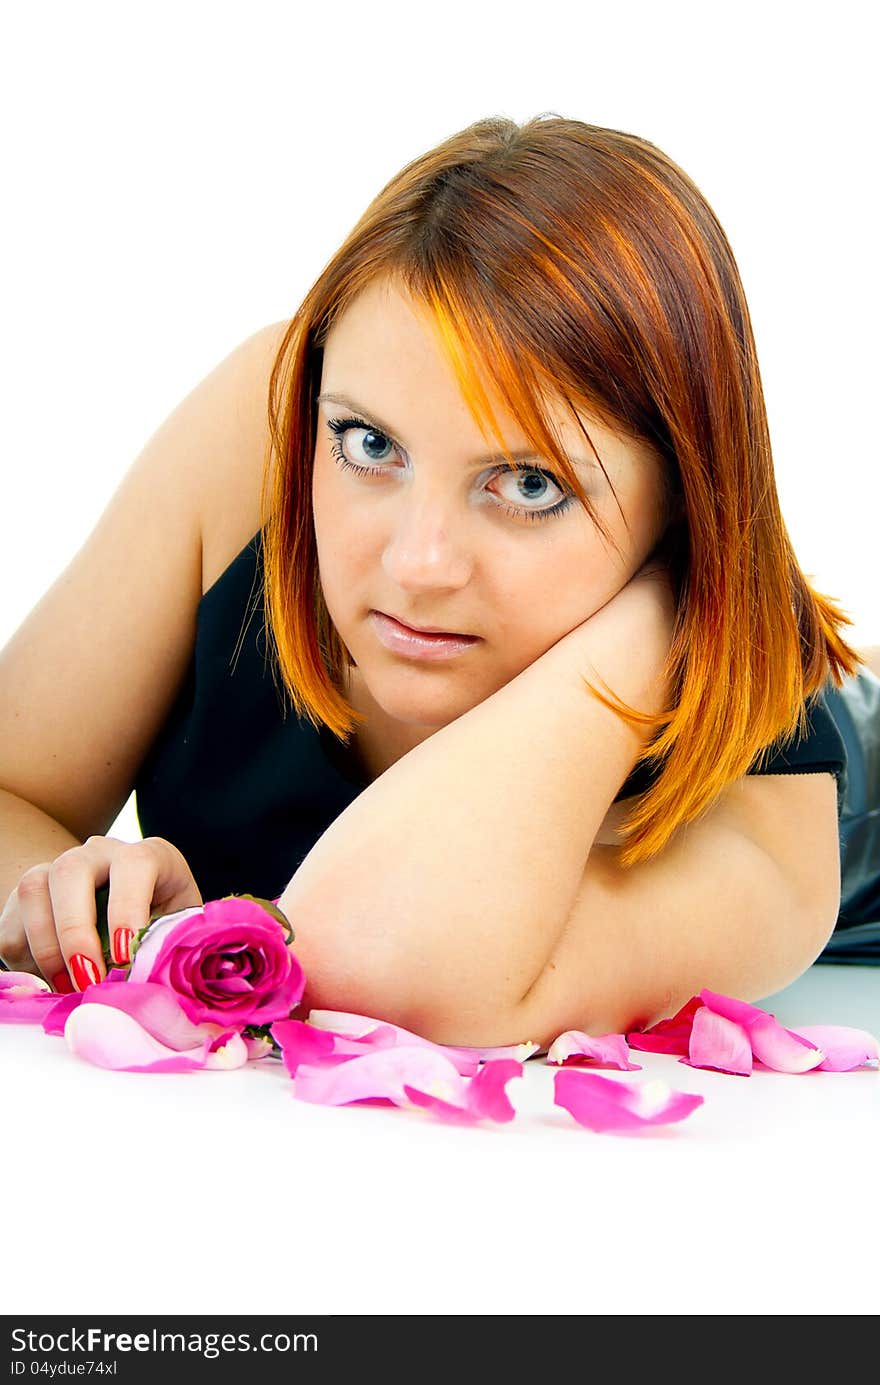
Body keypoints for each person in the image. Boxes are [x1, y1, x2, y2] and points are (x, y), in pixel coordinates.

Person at [0, 114, 876, 1051]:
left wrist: (669, 606)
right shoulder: (274, 429)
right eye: (370, 445)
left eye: (530, 484)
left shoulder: (776, 790)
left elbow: (396, 973)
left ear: (684, 506)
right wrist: (96, 911)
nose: (418, 565)